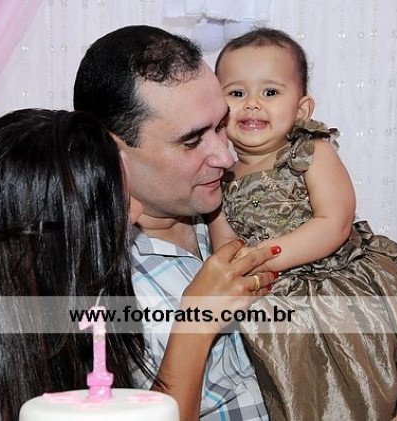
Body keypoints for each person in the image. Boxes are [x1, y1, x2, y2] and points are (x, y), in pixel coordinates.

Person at [0, 109, 277, 420]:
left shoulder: (60, 294)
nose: (136, 212)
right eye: (117, 202)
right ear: (62, 234)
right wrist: (193, 327)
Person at [208, 28, 397, 419]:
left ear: (302, 109)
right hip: (274, 295)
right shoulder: (220, 175)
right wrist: (237, 272)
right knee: (298, 385)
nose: (252, 104)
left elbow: (334, 223)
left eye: (270, 92)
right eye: (236, 92)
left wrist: (262, 257)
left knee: (356, 376)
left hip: (337, 284)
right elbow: (224, 246)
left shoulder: (311, 153)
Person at [74, 25, 280, 420]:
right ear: (111, 151)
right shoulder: (98, 287)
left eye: (220, 125)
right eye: (192, 141)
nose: (226, 156)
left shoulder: (240, 204)